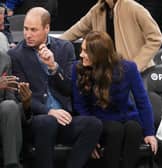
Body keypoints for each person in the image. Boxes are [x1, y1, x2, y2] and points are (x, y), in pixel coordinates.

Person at [8, 7, 102, 168]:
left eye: (33, 30)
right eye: (25, 29)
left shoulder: (65, 48)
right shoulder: (16, 55)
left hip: (64, 118)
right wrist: (49, 111)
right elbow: (20, 95)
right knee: (48, 122)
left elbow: (69, 88)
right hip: (38, 120)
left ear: (47, 28)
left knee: (94, 124)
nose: (28, 34)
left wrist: (53, 67)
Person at [71, 31, 158, 168]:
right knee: (115, 130)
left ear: (99, 54)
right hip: (99, 119)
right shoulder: (78, 69)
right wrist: (90, 136)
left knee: (134, 128)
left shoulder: (128, 68)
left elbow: (143, 102)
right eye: (81, 50)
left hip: (126, 116)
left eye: (85, 51)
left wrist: (149, 133)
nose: (81, 55)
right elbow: (80, 105)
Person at [60, 0, 162, 72]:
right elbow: (77, 30)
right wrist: (50, 42)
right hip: (108, 72)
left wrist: (136, 65)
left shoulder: (133, 7)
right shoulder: (97, 10)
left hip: (137, 73)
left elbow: (155, 38)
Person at [0, 49, 31, 168]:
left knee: (10, 106)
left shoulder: (4, 59)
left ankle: (12, 164)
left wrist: (26, 103)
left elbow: (11, 102)